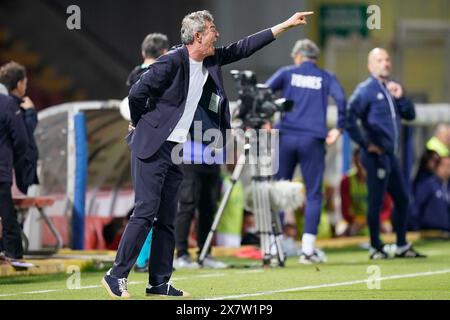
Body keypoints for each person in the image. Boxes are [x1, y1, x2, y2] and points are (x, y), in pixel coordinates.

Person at [101, 10, 314, 298]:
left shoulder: (210, 58)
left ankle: (159, 283)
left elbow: (244, 47)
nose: (218, 33)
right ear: (198, 35)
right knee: (145, 211)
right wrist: (139, 124)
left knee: (168, 217)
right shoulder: (171, 60)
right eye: (213, 29)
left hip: (176, 149)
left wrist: (286, 26)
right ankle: (116, 275)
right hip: (152, 145)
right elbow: (137, 93)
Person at [265, 39, 346, 264]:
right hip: (313, 139)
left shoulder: (287, 72)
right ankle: (307, 250)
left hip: (286, 137)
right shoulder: (325, 76)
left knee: (279, 190)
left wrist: (266, 121)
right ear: (315, 58)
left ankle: (274, 248)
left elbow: (262, 93)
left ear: (298, 56)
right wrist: (339, 128)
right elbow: (340, 99)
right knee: (313, 193)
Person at [346, 48, 425, 259]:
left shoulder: (392, 89)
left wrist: (401, 98)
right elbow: (348, 118)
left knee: (402, 199)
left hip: (390, 155)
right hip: (375, 156)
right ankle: (375, 246)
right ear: (370, 65)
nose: (386, 63)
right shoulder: (365, 90)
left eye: (388, 59)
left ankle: (400, 245)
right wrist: (365, 143)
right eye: (380, 60)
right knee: (376, 201)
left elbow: (410, 114)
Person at [125, 33, 170, 273]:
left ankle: (141, 259)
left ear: (144, 53)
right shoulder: (162, 73)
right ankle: (142, 259)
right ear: (164, 53)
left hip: (138, 142)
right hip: (157, 143)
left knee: (143, 204)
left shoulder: (134, 75)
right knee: (152, 206)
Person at [0, 62, 39, 195]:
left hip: (10, 170)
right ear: (19, 84)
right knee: (11, 211)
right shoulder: (14, 106)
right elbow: (23, 135)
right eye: (25, 82)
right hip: (14, 170)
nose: (25, 86)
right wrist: (30, 112)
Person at [0, 80, 29, 260]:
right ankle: (14, 254)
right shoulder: (7, 104)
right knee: (7, 212)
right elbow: (20, 138)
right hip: (1, 169)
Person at [340, 148, 393, 236]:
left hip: (378, 219)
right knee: (342, 230)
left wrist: (377, 219)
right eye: (358, 161)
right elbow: (345, 209)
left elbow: (387, 208)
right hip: (358, 219)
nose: (360, 165)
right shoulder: (347, 180)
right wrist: (357, 221)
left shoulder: (380, 178)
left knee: (387, 229)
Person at [412, 156, 450, 232]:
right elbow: (415, 207)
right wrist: (415, 228)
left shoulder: (448, 187)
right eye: (444, 166)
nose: (447, 169)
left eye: (449, 166)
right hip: (429, 231)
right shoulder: (428, 184)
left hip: (446, 232)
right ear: (437, 167)